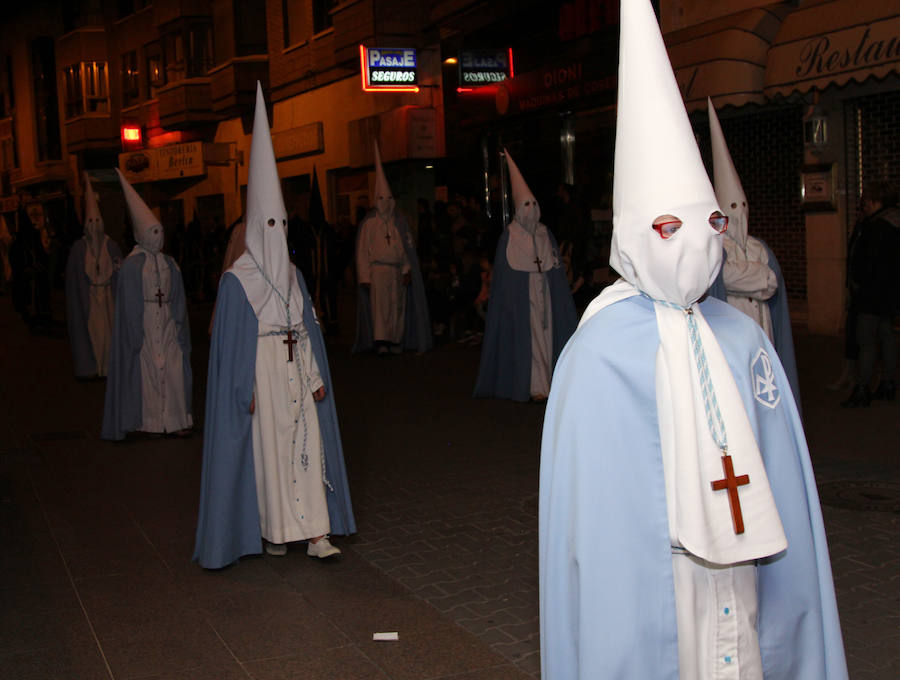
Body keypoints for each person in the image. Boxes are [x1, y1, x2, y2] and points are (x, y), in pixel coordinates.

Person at [538, 1, 847, 679]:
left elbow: (778, 470)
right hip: (659, 574)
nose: (700, 242)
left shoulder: (739, 336)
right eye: (670, 228)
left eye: (709, 222)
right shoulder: (598, 351)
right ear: (632, 235)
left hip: (743, 566)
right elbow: (590, 522)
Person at [194, 84, 354, 568]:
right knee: (267, 455)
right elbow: (230, 351)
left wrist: (315, 377)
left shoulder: (294, 274)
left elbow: (305, 328)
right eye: (270, 226)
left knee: (307, 447)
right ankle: (273, 530)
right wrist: (244, 387)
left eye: (283, 225)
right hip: (261, 378)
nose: (278, 235)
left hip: (295, 376)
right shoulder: (236, 281)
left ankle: (315, 532)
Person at [707, 99, 800, 403]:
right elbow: (727, 276)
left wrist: (756, 278)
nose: (739, 213)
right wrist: (757, 277)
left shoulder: (760, 247)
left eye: (742, 206)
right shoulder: (716, 246)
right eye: (732, 208)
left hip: (765, 334)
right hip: (735, 333)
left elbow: (771, 282)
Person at [474, 150, 577, 402]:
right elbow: (504, 277)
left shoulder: (545, 233)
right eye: (525, 205)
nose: (530, 210)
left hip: (545, 295)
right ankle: (535, 386)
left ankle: (548, 383)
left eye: (534, 204)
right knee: (529, 342)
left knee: (546, 337)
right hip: (523, 299)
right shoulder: (509, 236)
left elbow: (554, 268)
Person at [101, 169, 192, 441]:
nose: (159, 235)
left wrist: (178, 327)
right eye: (153, 231)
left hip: (167, 324)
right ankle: (150, 422)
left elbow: (179, 299)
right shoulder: (132, 266)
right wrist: (133, 335)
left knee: (173, 368)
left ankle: (176, 420)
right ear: (142, 234)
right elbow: (128, 303)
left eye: (160, 230)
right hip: (144, 325)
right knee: (149, 371)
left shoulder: (170, 263)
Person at [353, 141, 431, 354]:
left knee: (397, 306)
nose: (385, 202)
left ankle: (396, 340)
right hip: (377, 271)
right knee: (380, 308)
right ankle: (382, 342)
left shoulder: (398, 222)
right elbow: (362, 252)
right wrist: (365, 276)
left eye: (388, 198)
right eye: (381, 198)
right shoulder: (369, 224)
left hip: (396, 270)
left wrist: (407, 270)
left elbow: (405, 247)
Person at [841, 181, 900, 407]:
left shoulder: (876, 227)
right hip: (888, 294)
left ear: (875, 201)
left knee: (866, 341)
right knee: (886, 336)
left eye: (866, 201)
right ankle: (887, 383)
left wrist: (858, 285)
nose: (863, 205)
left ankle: (863, 388)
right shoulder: (893, 222)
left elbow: (868, 263)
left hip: (871, 295)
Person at [65, 173, 123, 379]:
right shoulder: (79, 249)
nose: (94, 225)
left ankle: (109, 367)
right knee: (94, 334)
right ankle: (93, 367)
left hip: (108, 298)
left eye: (97, 220)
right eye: (91, 221)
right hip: (90, 300)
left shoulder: (111, 246)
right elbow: (73, 282)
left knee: (109, 333)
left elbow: (119, 272)